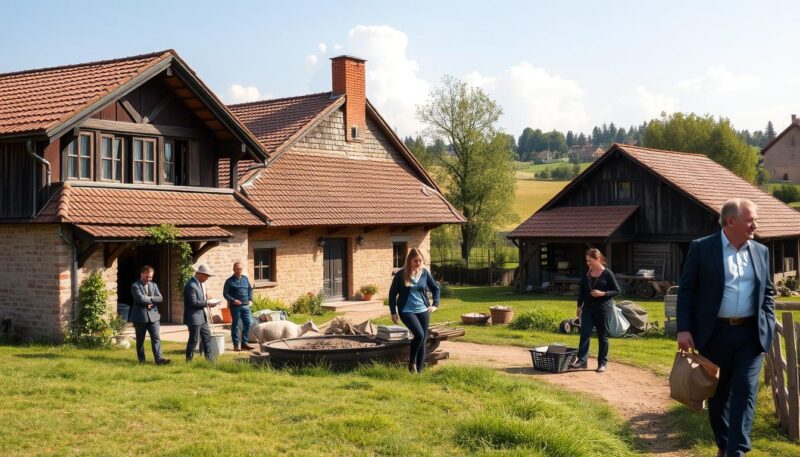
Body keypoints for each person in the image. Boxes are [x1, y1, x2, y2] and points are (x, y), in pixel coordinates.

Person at [677, 198, 775, 457]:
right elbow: (686, 290)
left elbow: (768, 293)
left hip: (750, 335)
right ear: (731, 221)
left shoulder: (761, 251)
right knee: (718, 398)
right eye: (750, 220)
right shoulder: (701, 248)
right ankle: (724, 442)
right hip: (714, 334)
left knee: (745, 392)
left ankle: (736, 451)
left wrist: (767, 321)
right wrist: (684, 328)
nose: (755, 225)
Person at [388, 248, 440, 373]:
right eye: (415, 261)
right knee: (419, 335)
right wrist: (393, 312)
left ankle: (419, 372)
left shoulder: (424, 273)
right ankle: (412, 363)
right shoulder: (400, 275)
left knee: (423, 340)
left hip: (423, 310)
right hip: (406, 310)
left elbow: (435, 288)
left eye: (420, 261)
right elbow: (392, 294)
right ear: (409, 261)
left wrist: (435, 304)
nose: (418, 263)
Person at [570, 248, 620, 373]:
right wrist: (578, 307)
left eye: (590, 260)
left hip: (603, 310)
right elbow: (582, 291)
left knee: (602, 336)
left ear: (598, 259)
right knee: (585, 333)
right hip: (587, 308)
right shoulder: (587, 274)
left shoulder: (607, 273)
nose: (588, 263)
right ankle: (582, 361)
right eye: (587, 260)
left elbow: (617, 290)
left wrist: (602, 293)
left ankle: (602, 363)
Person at [129, 266, 170, 365]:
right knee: (140, 340)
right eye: (146, 277)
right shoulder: (135, 286)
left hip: (154, 317)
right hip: (140, 317)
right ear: (141, 274)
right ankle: (142, 361)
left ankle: (159, 360)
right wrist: (153, 299)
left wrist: (149, 299)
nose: (148, 279)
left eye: (150, 277)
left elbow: (160, 298)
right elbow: (140, 299)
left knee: (156, 338)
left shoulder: (154, 285)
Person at [184, 264, 219, 362]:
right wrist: (207, 303)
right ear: (199, 274)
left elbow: (202, 297)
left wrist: (210, 300)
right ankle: (188, 360)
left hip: (202, 317)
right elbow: (193, 302)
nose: (207, 278)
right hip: (193, 317)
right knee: (194, 340)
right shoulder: (191, 285)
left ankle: (210, 360)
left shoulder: (200, 283)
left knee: (207, 337)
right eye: (206, 276)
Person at [223, 261, 254, 351]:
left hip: (246, 305)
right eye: (237, 269)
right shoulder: (229, 281)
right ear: (234, 269)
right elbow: (225, 294)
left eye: (240, 269)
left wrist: (251, 300)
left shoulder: (245, 279)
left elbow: (250, 290)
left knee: (248, 322)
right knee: (235, 324)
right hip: (235, 307)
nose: (239, 271)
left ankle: (245, 343)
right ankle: (236, 344)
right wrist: (233, 300)